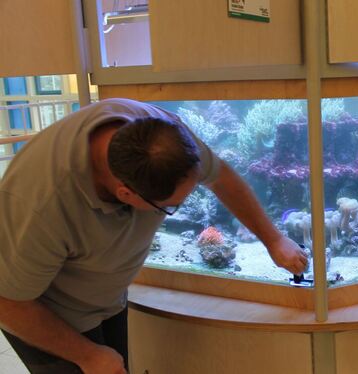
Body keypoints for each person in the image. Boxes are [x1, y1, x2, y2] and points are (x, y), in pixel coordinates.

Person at [0, 98, 308, 374]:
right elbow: (10, 304)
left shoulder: (165, 137)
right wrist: (89, 356)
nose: (180, 207)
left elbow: (222, 178)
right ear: (126, 194)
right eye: (171, 207)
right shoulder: (38, 205)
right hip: (47, 317)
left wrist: (274, 239)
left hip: (106, 298)